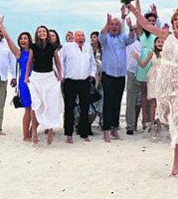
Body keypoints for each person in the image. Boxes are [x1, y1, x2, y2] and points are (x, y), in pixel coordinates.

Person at [127, 0, 178, 177]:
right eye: (176, 19)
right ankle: (172, 131)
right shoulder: (165, 36)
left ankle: (176, 158)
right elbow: (144, 24)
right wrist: (134, 8)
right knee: (166, 116)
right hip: (163, 84)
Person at [0, 14, 32, 141]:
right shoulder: (18, 53)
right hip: (24, 83)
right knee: (28, 109)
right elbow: (8, 39)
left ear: (30, 40)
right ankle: (26, 136)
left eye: (25, 38)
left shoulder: (34, 51)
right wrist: (0, 24)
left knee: (36, 109)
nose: (22, 40)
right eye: (21, 38)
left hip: (37, 82)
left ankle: (32, 132)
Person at [100, 12, 136, 142]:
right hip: (108, 74)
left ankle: (115, 128)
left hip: (120, 74)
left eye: (116, 25)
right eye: (112, 25)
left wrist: (131, 27)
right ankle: (106, 129)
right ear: (109, 26)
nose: (114, 26)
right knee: (108, 102)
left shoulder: (123, 37)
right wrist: (107, 22)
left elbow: (131, 38)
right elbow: (102, 35)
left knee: (117, 102)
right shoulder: (106, 38)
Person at [25, 25, 63, 145]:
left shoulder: (52, 46)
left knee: (51, 103)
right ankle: (34, 131)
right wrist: (26, 76)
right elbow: (30, 62)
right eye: (39, 31)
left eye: (44, 31)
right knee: (36, 103)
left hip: (49, 77)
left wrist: (60, 75)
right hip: (36, 77)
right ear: (37, 34)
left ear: (46, 33)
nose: (42, 33)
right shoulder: (33, 46)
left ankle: (50, 129)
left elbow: (57, 62)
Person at [59, 30, 97, 143]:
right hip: (70, 81)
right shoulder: (67, 47)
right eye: (79, 35)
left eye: (83, 35)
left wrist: (92, 75)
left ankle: (84, 133)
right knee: (69, 108)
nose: (81, 37)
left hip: (85, 81)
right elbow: (60, 62)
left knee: (85, 108)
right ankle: (69, 134)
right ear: (74, 37)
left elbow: (93, 63)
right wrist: (62, 76)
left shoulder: (88, 47)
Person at [133, 36, 165, 137]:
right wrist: (137, 58)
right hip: (153, 77)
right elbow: (143, 65)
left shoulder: (167, 54)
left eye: (162, 42)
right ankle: (151, 124)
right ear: (155, 44)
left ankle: (160, 122)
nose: (160, 43)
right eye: (158, 41)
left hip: (163, 77)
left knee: (163, 102)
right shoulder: (151, 53)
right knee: (153, 102)